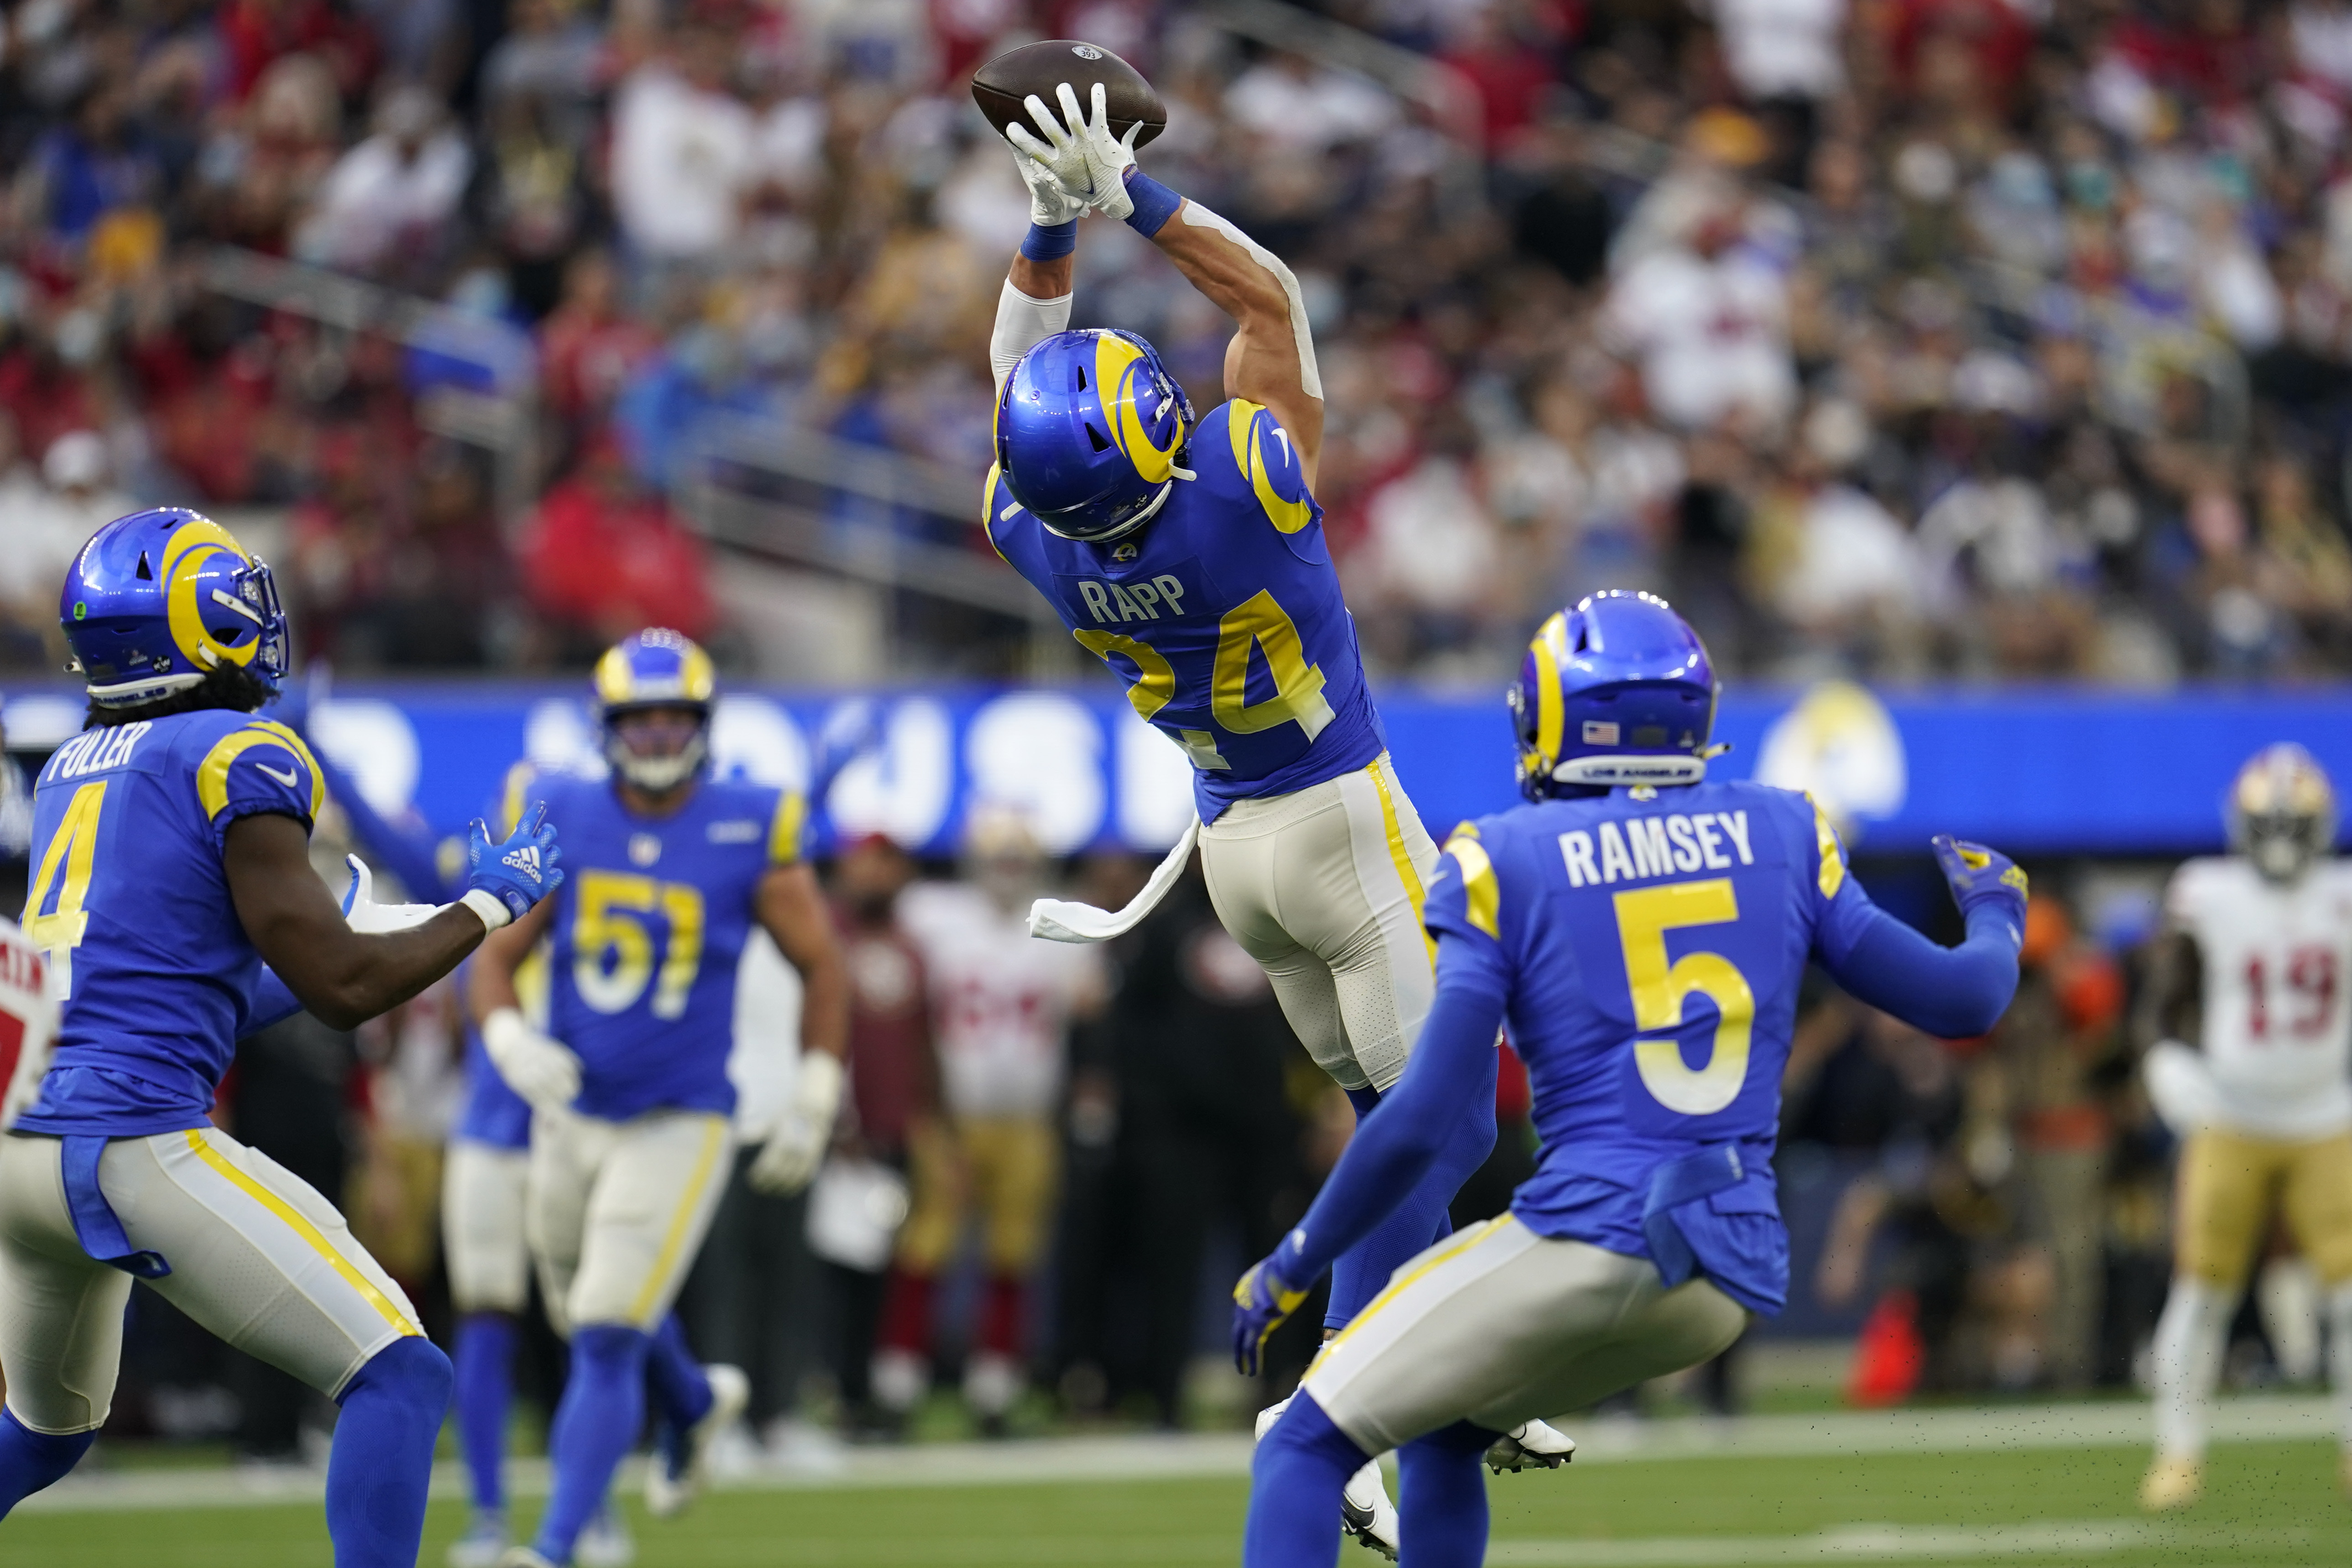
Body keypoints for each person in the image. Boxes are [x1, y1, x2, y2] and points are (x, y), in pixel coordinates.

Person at [988, 83, 1550, 1551]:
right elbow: (1274, 300)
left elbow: (1011, 378)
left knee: (1387, 1125)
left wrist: (1046, 228)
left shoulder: (1042, 546)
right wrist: (1133, 201)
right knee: (1432, 1131)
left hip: (1235, 857)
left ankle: (1429, 1381)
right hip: (1345, 828)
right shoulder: (1239, 482)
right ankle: (1362, 1406)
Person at [1233, 591, 2026, 1568]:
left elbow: (1421, 1116)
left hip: (1584, 1237)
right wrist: (1996, 907)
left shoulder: (1503, 855)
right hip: (1729, 1270)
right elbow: (1965, 999)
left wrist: (1297, 1260)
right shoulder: (1785, 829)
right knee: (1446, 1428)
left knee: (1303, 1444)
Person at [0, 507, 564, 1568]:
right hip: (130, 1137)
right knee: (401, 1369)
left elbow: (202, 986)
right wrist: (486, 907)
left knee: (43, 1432)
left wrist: (360, 935)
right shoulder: (237, 747)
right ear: (194, 620)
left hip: (20, 1144)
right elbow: (344, 985)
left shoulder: (79, 762)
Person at [467, 628, 849, 1568]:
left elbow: (822, 960)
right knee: (589, 1306)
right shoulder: (558, 807)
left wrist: (817, 1081)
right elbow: (495, 949)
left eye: (674, 716)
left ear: (705, 722)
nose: (655, 735)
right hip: (574, 1107)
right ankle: (688, 1399)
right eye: (638, 720)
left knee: (602, 1327)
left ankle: (554, 1546)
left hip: (682, 1114)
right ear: (607, 726)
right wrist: (510, 1036)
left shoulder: (751, 818)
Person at [2138, 743, 2352, 1510]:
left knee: (2348, 1296)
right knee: (2201, 1291)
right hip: (2231, 1115)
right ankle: (2177, 1456)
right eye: (2272, 824)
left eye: (2296, 825)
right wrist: (2165, 1057)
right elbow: (2165, 994)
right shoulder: (2206, 892)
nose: (2284, 841)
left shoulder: (2343, 893)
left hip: (2327, 1116)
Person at [879, 809, 1102, 1436]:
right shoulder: (932, 916)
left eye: (1018, 861)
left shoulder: (1063, 921)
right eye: (998, 860)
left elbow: (1088, 1014)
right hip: (947, 1118)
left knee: (1014, 1252)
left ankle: (994, 1387)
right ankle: (897, 1384)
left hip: (1029, 1119)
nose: (1008, 874)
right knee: (926, 1247)